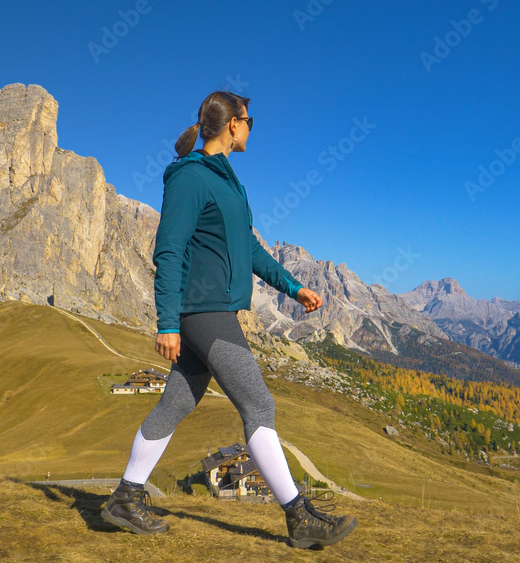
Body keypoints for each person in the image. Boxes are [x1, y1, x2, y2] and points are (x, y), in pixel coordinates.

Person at [101, 91, 358, 549]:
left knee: (176, 405)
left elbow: (251, 250)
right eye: (251, 120)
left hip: (213, 310)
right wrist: (167, 322)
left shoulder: (228, 182)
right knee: (259, 406)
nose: (252, 128)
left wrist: (294, 288)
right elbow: (169, 249)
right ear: (234, 124)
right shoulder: (190, 178)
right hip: (204, 312)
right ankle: (299, 518)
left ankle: (125, 497)